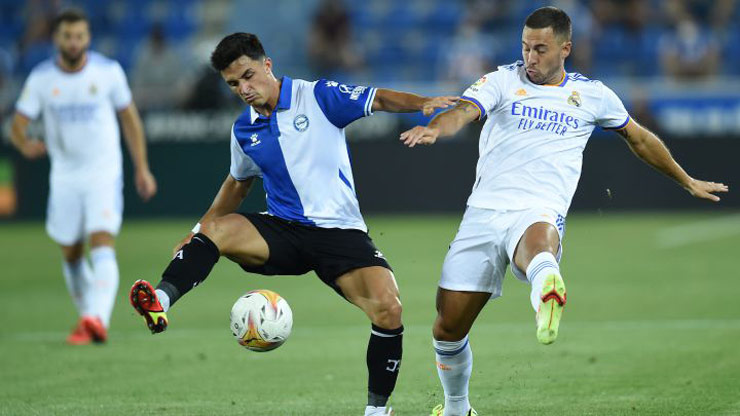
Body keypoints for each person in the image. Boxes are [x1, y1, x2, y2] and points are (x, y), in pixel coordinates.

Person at [399, 7, 728, 416]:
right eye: (525, 47)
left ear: (565, 48)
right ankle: (457, 408)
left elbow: (639, 139)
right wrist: (437, 127)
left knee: (538, 247)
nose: (530, 57)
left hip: (538, 208)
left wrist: (686, 179)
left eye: (540, 49)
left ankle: (548, 285)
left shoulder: (592, 94)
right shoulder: (503, 80)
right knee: (447, 327)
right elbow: (465, 111)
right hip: (483, 213)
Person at [128, 32, 456, 416]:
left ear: (267, 65)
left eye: (248, 76)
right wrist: (199, 229)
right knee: (215, 231)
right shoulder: (244, 129)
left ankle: (376, 412)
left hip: (340, 233)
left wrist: (424, 104)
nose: (244, 89)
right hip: (283, 231)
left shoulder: (315, 96)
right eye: (234, 84)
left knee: (389, 309)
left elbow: (378, 98)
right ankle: (160, 302)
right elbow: (237, 183)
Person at [10, 9, 157, 345]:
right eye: (67, 36)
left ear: (88, 38)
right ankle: (88, 316)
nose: (74, 42)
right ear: (56, 38)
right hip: (64, 176)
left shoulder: (108, 72)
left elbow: (130, 120)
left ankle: (96, 319)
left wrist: (142, 167)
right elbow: (18, 124)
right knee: (73, 254)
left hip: (103, 172)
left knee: (102, 242)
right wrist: (24, 143)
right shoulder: (42, 79)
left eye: (79, 36)